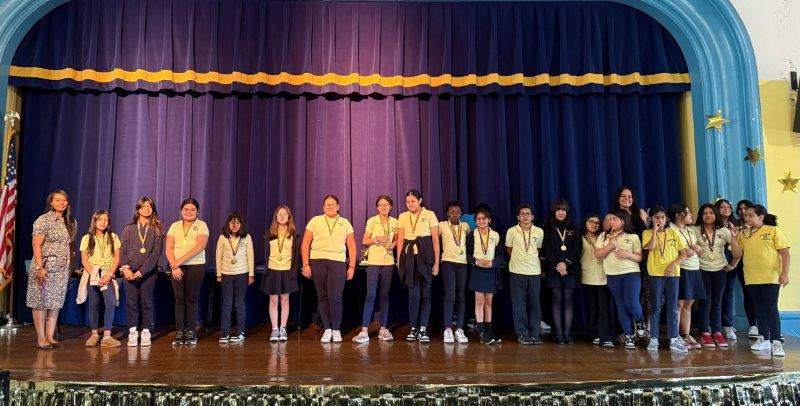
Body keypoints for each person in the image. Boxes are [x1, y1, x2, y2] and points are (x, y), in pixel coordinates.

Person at [735, 205, 791, 357]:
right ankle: (763, 338)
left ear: (761, 217)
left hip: (770, 277)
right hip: (751, 277)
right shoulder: (743, 234)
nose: (746, 218)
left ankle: (776, 342)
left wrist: (784, 273)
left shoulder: (773, 231)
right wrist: (734, 237)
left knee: (770, 308)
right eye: (745, 215)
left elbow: (785, 253)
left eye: (750, 215)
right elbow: (738, 254)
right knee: (758, 308)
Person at [301, 195, 357, 343]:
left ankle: (336, 329)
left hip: (338, 261)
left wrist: (352, 266)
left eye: (333, 204)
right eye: (327, 204)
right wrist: (306, 264)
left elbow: (351, 245)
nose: (330, 206)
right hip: (317, 260)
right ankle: (327, 329)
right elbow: (305, 242)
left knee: (336, 297)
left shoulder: (345, 223)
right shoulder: (315, 221)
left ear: (338, 206)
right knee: (322, 296)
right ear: (323, 207)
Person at [28, 190, 77, 349]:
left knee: (55, 302)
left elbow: (71, 246)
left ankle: (50, 337)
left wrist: (70, 267)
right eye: (58, 200)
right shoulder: (44, 220)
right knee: (40, 302)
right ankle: (41, 338)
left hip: (61, 269)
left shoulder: (71, 222)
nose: (62, 203)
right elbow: (36, 244)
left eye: (64, 200)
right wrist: (39, 267)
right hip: (45, 267)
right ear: (51, 202)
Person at [594, 209, 644, 350]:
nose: (612, 221)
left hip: (631, 273)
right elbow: (598, 254)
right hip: (612, 274)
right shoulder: (603, 236)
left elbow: (639, 257)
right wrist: (610, 246)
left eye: (615, 219)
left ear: (623, 220)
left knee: (631, 303)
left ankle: (639, 320)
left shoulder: (633, 236)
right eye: (611, 219)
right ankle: (629, 336)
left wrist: (627, 255)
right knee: (621, 305)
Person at [642, 206, 688, 353]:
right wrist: (655, 231)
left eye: (662, 217)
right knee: (656, 306)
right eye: (657, 217)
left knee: (672, 307)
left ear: (666, 218)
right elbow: (651, 248)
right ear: (651, 219)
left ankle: (674, 339)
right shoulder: (647, 233)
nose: (660, 220)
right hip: (655, 273)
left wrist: (672, 265)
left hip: (673, 274)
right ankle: (654, 338)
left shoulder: (673, 232)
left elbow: (684, 254)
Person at [119, 196, 164, 347]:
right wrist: (125, 269)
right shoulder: (129, 228)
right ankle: (132, 331)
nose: (147, 208)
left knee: (147, 302)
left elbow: (155, 254)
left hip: (148, 273)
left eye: (150, 206)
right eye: (144, 206)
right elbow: (122, 251)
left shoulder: (157, 229)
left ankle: (146, 331)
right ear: (138, 209)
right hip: (129, 272)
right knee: (131, 303)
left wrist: (142, 272)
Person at [353, 195, 398, 343]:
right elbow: (364, 240)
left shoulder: (395, 222)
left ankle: (383, 329)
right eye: (381, 205)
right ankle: (364, 331)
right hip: (374, 261)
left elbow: (397, 239)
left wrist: (393, 244)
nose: (383, 207)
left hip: (388, 261)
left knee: (385, 295)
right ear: (377, 207)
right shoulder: (372, 221)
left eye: (386, 204)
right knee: (371, 294)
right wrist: (377, 238)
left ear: (390, 206)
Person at [396, 190, 440, 343]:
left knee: (426, 294)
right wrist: (399, 261)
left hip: (425, 257)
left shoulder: (430, 215)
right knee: (413, 295)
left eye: (413, 201)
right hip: (409, 258)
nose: (410, 204)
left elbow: (435, 240)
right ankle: (413, 327)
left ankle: (423, 328)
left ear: (420, 200)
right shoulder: (403, 216)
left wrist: (436, 263)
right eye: (407, 202)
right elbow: (400, 240)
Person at [165, 197, 209, 346]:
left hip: (196, 265)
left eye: (192, 209)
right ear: (181, 211)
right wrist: (174, 266)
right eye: (186, 209)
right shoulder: (174, 226)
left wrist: (179, 261)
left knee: (192, 298)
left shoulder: (202, 225)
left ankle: (191, 331)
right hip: (176, 267)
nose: (189, 212)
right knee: (179, 298)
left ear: (197, 212)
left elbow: (200, 247)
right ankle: (179, 331)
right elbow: (169, 248)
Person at [695, 203, 740, 348]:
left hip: (720, 269)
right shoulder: (694, 230)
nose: (708, 215)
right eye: (705, 213)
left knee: (717, 302)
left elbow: (738, 252)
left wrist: (733, 264)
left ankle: (717, 331)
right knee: (705, 301)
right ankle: (704, 331)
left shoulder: (724, 230)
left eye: (711, 213)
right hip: (702, 268)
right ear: (700, 215)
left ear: (716, 215)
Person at [79, 210, 122, 348]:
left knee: (110, 303)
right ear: (95, 221)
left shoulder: (113, 237)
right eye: (100, 219)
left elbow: (117, 258)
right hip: (93, 273)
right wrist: (94, 276)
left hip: (107, 273)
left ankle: (107, 336)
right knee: (94, 304)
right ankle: (94, 335)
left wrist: (109, 275)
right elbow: (84, 260)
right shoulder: (87, 238)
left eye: (106, 220)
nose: (103, 222)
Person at [541, 199, 581, 344]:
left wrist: (566, 264)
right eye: (558, 209)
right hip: (554, 269)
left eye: (563, 209)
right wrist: (558, 264)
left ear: (567, 211)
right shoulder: (547, 228)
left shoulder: (574, 227)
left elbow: (577, 249)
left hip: (570, 269)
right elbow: (546, 249)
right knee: (556, 300)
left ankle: (567, 334)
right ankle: (558, 334)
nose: (560, 212)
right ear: (553, 212)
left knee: (569, 300)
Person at [505, 204, 544, 345]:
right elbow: (509, 249)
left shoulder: (539, 231)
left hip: (534, 272)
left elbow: (538, 249)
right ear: (518, 217)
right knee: (519, 304)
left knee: (535, 303)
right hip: (517, 271)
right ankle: (522, 334)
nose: (525, 216)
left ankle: (535, 334)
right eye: (522, 214)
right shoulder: (511, 231)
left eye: (528, 214)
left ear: (532, 217)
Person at [261, 205, 301, 342]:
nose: (282, 216)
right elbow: (266, 253)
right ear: (276, 217)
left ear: (289, 217)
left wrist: (294, 271)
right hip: (272, 270)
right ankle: (274, 329)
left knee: (284, 300)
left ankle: (283, 328)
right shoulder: (270, 233)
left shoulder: (294, 234)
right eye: (279, 213)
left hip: (287, 270)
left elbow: (296, 255)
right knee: (273, 300)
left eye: (285, 213)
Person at [215, 212, 255, 343]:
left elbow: (250, 256)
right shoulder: (223, 238)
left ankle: (240, 332)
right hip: (226, 274)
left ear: (241, 225)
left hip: (242, 274)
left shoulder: (246, 237)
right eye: (232, 222)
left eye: (237, 223)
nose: (234, 225)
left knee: (239, 304)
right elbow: (219, 256)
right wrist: (219, 274)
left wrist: (251, 275)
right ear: (228, 224)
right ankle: (225, 332)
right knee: (226, 304)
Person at [466, 208, 503, 344]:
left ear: (489, 220)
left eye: (484, 218)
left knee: (488, 301)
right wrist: (476, 261)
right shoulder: (472, 235)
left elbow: (500, 255)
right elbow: (467, 254)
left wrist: (492, 263)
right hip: (477, 270)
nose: (481, 221)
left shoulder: (495, 235)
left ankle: (488, 330)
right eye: (478, 219)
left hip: (490, 270)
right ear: (475, 221)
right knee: (479, 300)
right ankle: (481, 331)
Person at [438, 201, 470, 344]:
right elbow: (434, 239)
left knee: (461, 296)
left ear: (461, 213)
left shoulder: (465, 226)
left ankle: (460, 329)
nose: (455, 214)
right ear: (447, 213)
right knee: (450, 294)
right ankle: (448, 328)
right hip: (448, 263)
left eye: (458, 212)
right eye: (452, 211)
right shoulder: (442, 225)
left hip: (462, 263)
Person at [580, 214, 613, 348]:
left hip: (603, 277)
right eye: (591, 221)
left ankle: (606, 336)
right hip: (587, 276)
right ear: (585, 223)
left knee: (604, 308)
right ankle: (595, 334)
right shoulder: (580, 238)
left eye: (597, 223)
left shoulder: (603, 237)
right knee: (592, 308)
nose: (594, 224)